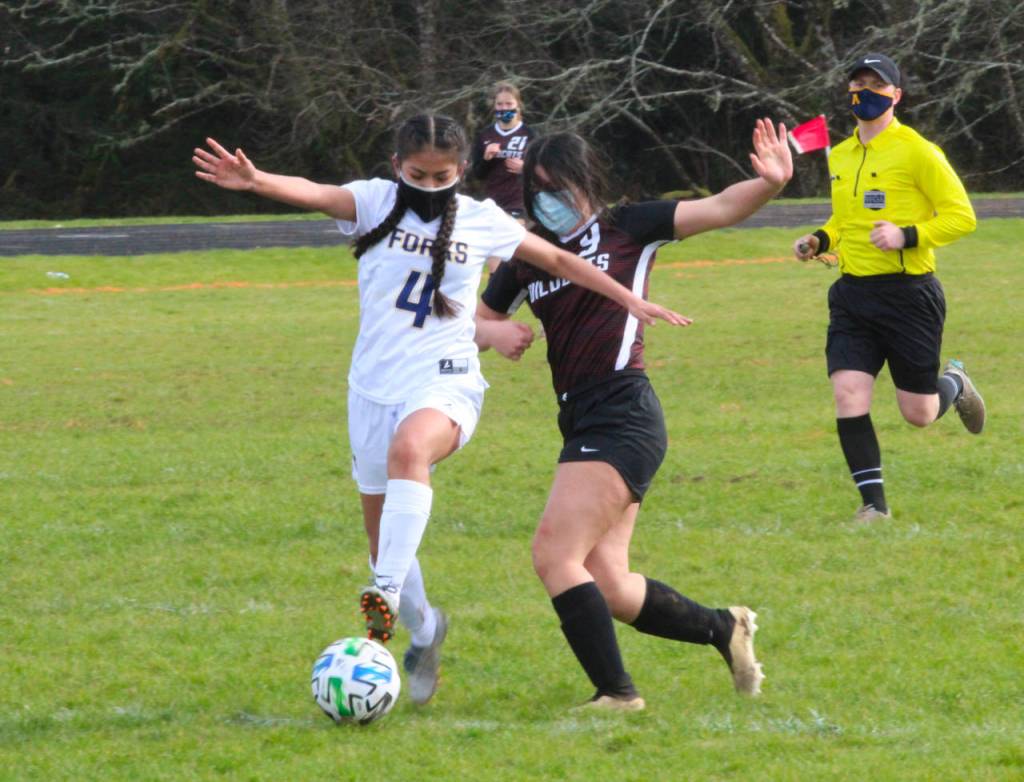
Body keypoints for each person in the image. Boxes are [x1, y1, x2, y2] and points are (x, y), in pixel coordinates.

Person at [192, 114, 685, 706]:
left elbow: (557, 262)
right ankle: (425, 629)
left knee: (411, 450)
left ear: (460, 172)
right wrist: (258, 181)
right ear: (398, 166)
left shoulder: (481, 220)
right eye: (418, 175)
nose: (429, 185)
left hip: (446, 382)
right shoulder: (374, 203)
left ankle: (385, 594)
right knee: (383, 530)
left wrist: (628, 295)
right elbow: (317, 191)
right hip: (372, 389)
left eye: (443, 176)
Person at [477, 118, 793, 711]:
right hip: (582, 418)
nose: (547, 199)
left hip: (622, 412)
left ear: (584, 181)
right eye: (535, 190)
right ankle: (723, 627)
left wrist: (771, 183)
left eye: (557, 186)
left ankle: (617, 694)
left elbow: (720, 208)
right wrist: (493, 335)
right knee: (609, 585)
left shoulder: (628, 225)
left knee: (553, 554)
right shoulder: (527, 257)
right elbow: (476, 324)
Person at [792, 53, 985, 525]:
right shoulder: (839, 155)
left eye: (875, 83)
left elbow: (963, 216)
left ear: (896, 95)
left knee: (918, 412)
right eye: (857, 82)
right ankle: (873, 506)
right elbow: (845, 220)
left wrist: (907, 235)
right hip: (852, 295)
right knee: (848, 395)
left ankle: (955, 383)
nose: (864, 90)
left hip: (909, 295)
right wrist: (820, 239)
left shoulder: (919, 151)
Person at [470, 82, 535, 271]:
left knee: (507, 244)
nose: (504, 108)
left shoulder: (529, 134)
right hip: (494, 202)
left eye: (508, 104)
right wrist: (486, 158)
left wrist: (526, 168)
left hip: (519, 201)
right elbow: (478, 175)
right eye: (500, 105)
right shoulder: (485, 136)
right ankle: (496, 289)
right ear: (494, 106)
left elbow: (542, 171)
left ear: (518, 105)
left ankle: (502, 287)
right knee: (498, 255)